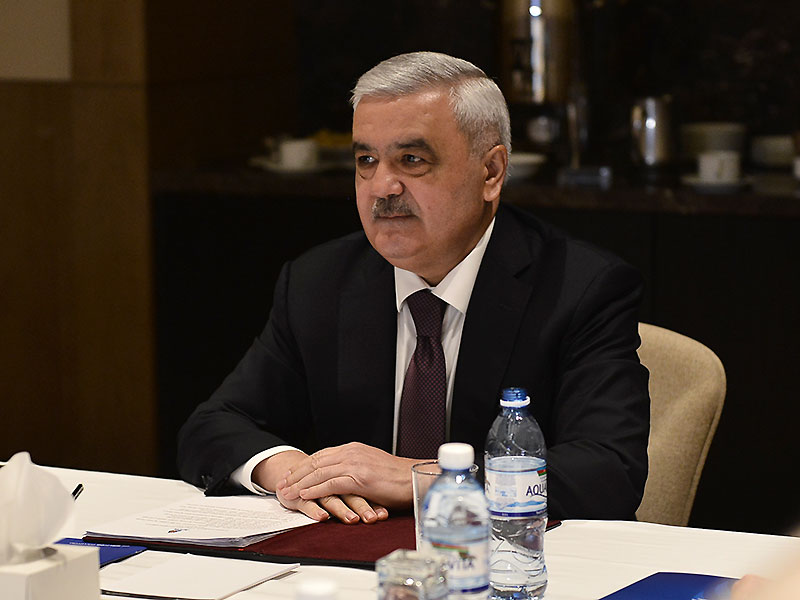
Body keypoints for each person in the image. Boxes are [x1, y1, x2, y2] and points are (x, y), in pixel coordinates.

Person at [177, 51, 650, 525]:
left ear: (491, 173)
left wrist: (422, 480)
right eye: (366, 160)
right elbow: (213, 425)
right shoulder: (320, 281)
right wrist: (296, 473)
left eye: (411, 160)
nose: (382, 186)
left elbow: (608, 471)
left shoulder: (580, 288)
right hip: (354, 555)